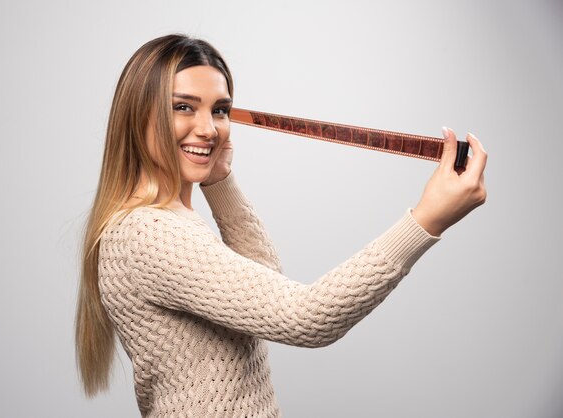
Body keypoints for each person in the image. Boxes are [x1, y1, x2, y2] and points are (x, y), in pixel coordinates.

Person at [75, 33, 487, 417]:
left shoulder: (164, 220)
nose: (208, 128)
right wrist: (426, 219)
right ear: (136, 116)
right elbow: (306, 317)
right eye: (183, 106)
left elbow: (266, 287)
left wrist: (220, 182)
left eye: (219, 110)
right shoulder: (149, 233)